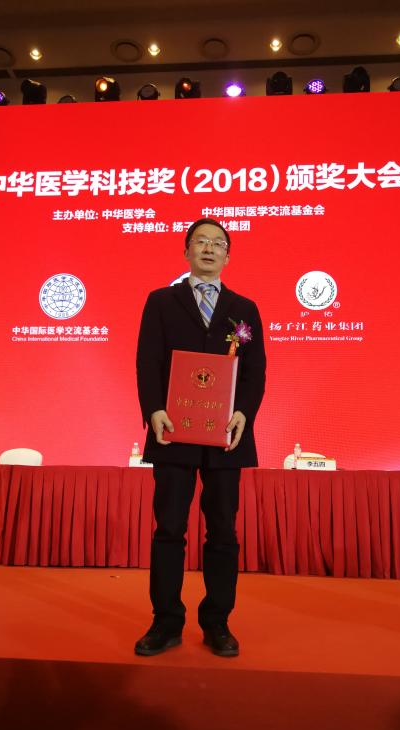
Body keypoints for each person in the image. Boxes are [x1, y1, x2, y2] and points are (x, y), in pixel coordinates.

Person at [135, 218, 266, 657]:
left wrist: (244, 413)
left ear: (227, 255)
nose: (209, 249)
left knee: (223, 531)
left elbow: (255, 371)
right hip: (174, 432)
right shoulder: (161, 301)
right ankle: (165, 622)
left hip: (226, 437)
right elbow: (147, 360)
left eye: (218, 244)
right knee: (169, 528)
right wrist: (154, 409)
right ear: (187, 250)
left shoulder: (244, 308)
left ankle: (218, 623)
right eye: (201, 242)